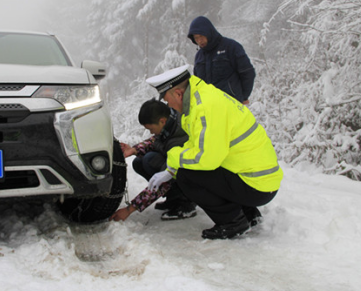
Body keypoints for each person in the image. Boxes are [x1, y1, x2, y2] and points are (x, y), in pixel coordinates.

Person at [111, 65, 283, 240]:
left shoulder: (204, 109)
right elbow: (194, 145)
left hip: (256, 185)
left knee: (188, 174)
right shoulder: (197, 102)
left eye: (166, 98)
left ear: (178, 93)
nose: (167, 104)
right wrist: (169, 169)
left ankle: (232, 222)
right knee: (183, 167)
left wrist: (173, 159)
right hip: (259, 179)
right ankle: (248, 213)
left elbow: (205, 159)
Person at [119, 98, 196, 220]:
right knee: (139, 162)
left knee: (149, 159)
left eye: (151, 129)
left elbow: (165, 180)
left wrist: (130, 209)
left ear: (162, 121)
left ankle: (185, 203)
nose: (151, 133)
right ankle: (173, 199)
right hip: (173, 166)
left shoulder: (178, 137)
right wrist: (134, 150)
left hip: (189, 175)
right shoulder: (169, 123)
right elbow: (155, 141)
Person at [188, 16, 256, 105]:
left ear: (209, 32)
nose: (199, 40)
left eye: (201, 36)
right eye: (196, 38)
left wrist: (243, 97)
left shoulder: (231, 47)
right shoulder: (199, 56)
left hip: (232, 105)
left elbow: (247, 72)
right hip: (210, 108)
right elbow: (198, 83)